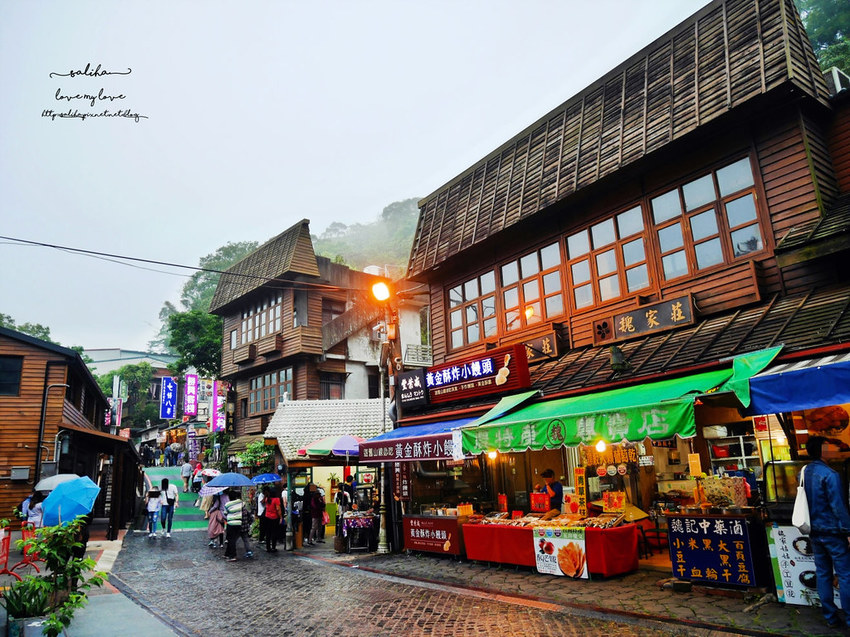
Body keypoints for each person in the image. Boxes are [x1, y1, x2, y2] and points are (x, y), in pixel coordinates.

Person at [803, 436, 850, 629]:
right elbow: (838, 506)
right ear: (823, 450)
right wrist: (848, 530)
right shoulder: (830, 475)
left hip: (814, 530)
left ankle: (830, 618)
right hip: (832, 532)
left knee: (823, 573)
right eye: (829, 446)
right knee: (845, 574)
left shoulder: (804, 472)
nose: (833, 449)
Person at [223, 489, 250, 561]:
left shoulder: (227, 504)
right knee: (233, 539)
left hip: (231, 523)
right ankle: (227, 553)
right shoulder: (241, 502)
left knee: (231, 540)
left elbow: (225, 513)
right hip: (238, 523)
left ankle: (233, 555)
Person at [263, 486, 284, 553]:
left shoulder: (267, 499)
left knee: (268, 533)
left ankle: (268, 547)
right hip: (274, 518)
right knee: (274, 533)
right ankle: (273, 547)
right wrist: (281, 517)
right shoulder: (276, 499)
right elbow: (278, 509)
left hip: (267, 517)